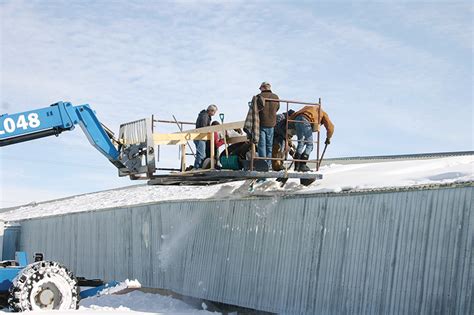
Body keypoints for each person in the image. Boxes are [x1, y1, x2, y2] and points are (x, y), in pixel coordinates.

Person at [289, 106, 334, 172]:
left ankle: (297, 166)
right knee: (310, 145)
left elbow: (296, 115)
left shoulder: (308, 108)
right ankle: (303, 165)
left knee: (300, 143)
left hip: (297, 120)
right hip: (306, 120)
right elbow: (330, 127)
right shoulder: (322, 113)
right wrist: (328, 138)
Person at [257, 82, 279, 169]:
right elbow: (277, 108)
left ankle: (263, 165)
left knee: (261, 145)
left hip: (261, 123)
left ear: (263, 88)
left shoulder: (258, 96)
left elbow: (254, 110)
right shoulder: (275, 97)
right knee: (269, 146)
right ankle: (268, 165)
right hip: (272, 123)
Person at [194, 104, 218, 169]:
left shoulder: (205, 115)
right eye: (214, 112)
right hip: (200, 137)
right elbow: (203, 127)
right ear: (211, 111)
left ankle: (197, 168)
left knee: (201, 154)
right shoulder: (205, 116)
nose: (214, 114)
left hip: (201, 137)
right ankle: (197, 168)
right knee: (201, 155)